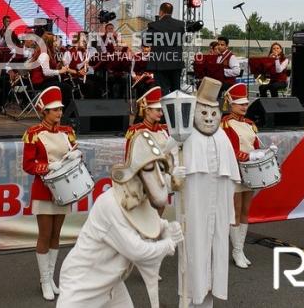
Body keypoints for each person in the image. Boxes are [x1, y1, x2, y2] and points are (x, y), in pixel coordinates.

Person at [57, 131, 184, 308]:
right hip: (82, 285)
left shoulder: (139, 196)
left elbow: (150, 224)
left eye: (160, 169)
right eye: (149, 169)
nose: (160, 180)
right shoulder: (110, 203)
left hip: (112, 283)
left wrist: (167, 227)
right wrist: (169, 244)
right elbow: (137, 250)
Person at [180, 77, 240, 307]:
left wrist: (230, 209)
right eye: (203, 112)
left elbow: (232, 174)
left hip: (219, 206)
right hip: (195, 205)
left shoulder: (222, 136)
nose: (208, 118)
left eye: (213, 113)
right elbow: (168, 160)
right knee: (194, 251)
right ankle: (189, 301)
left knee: (217, 252)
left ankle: (207, 303)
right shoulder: (185, 134)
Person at [22, 86, 80, 300]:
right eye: (55, 109)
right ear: (44, 111)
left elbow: (75, 152)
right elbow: (28, 165)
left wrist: (77, 155)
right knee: (45, 235)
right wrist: (46, 167)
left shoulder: (67, 132)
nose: (59, 113)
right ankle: (44, 279)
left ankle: (51, 277)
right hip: (44, 190)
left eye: (60, 109)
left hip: (64, 189)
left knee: (56, 234)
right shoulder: (33, 134)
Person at [220, 83, 276, 269]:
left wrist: (265, 152)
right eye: (240, 104)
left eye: (245, 103)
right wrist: (248, 156)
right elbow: (229, 150)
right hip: (235, 170)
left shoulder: (250, 124)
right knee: (236, 211)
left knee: (245, 210)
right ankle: (236, 251)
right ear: (231, 104)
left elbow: (255, 146)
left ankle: (240, 248)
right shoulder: (225, 123)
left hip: (250, 171)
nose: (244, 107)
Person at [146, 2, 185, 93]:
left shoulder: (154, 25)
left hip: (160, 63)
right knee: (176, 90)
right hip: (176, 62)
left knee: (162, 90)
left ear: (161, 12)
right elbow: (181, 40)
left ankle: (164, 102)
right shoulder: (180, 25)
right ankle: (175, 103)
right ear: (171, 12)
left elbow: (146, 41)